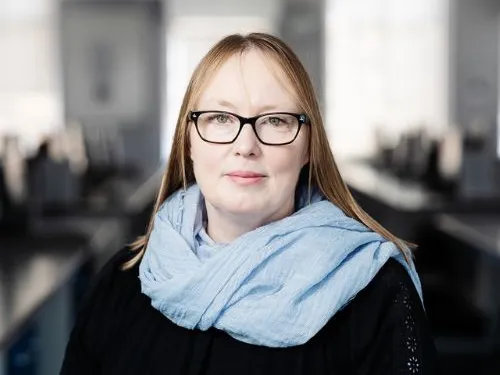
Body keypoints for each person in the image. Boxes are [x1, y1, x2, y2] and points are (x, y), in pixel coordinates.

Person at [60, 32, 437, 374]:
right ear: (189, 139)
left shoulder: (377, 293)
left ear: (309, 146)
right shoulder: (124, 280)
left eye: (275, 120)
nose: (245, 146)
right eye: (221, 117)